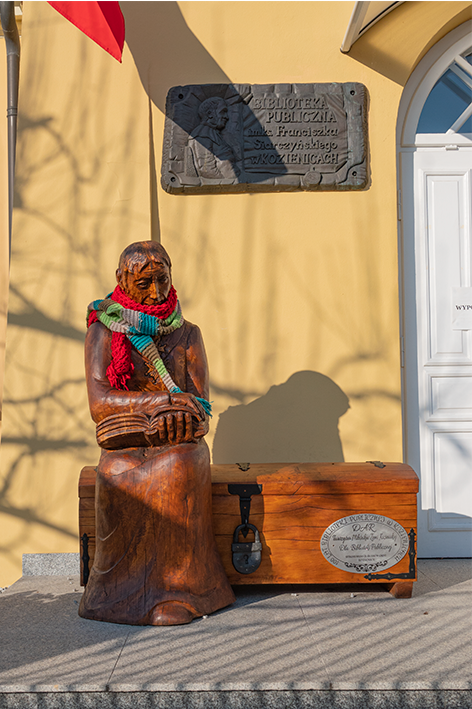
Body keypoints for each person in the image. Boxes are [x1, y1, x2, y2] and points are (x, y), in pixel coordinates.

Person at [79, 241, 235, 626]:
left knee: (179, 467)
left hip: (179, 442)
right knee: (115, 475)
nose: (156, 293)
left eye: (162, 280)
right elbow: (100, 402)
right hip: (125, 442)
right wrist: (163, 404)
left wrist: (184, 415)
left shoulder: (188, 334)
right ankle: (112, 595)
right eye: (144, 283)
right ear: (121, 280)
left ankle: (183, 591)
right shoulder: (104, 330)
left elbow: (202, 406)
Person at [188, 96, 240, 179]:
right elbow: (206, 170)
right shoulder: (202, 135)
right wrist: (226, 183)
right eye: (223, 112)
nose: (226, 116)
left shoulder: (212, 133)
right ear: (210, 114)